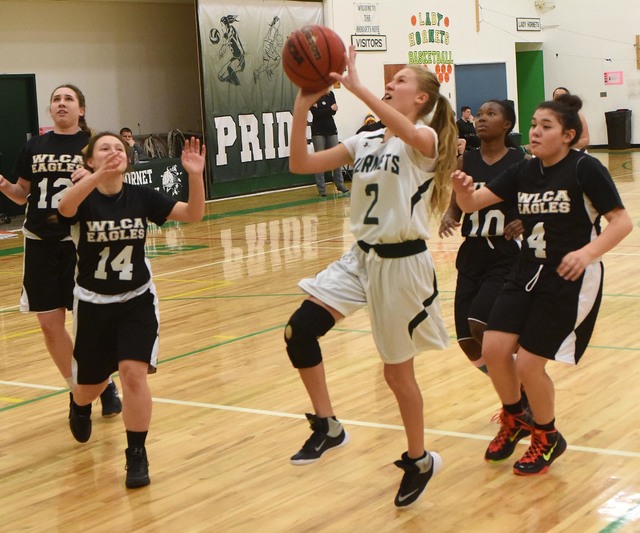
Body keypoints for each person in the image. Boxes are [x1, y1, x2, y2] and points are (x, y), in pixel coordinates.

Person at [285, 46, 458, 507]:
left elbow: (410, 132)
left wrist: (356, 86)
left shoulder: (424, 140)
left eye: (401, 80)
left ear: (421, 98)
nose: (391, 83)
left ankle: (420, 459)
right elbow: (301, 164)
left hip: (403, 265)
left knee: (396, 375)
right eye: (391, 79)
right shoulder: (365, 140)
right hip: (360, 257)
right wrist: (302, 105)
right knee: (299, 330)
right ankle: (328, 426)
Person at [451, 94, 632, 476]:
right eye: (533, 124)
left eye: (546, 126)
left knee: (531, 364)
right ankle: (516, 417)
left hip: (568, 277)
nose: (534, 131)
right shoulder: (525, 170)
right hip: (525, 270)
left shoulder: (584, 168)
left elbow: (621, 222)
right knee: (494, 348)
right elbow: (472, 204)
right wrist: (464, 188)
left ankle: (547, 436)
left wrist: (587, 253)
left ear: (568, 136)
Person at [58, 133, 206, 488]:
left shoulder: (141, 196)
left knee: (132, 373)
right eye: (104, 148)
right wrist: (96, 177)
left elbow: (193, 214)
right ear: (90, 160)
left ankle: (136, 453)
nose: (113, 152)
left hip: (136, 300)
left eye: (119, 148)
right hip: (93, 303)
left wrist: (195, 176)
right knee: (88, 387)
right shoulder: (81, 195)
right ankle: (79, 403)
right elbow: (64, 208)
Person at [0, 84, 122, 422]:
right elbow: (22, 194)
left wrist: (93, 178)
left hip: (79, 242)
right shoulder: (33, 146)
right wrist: (4, 186)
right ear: (50, 109)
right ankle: (78, 391)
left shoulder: (94, 145)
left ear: (81, 109)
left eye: (69, 99)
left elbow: (112, 188)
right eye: (56, 99)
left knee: (88, 326)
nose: (62, 103)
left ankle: (101, 381)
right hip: (39, 241)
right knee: (49, 325)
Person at [440, 100, 526, 375]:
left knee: (480, 324)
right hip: (472, 251)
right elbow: (457, 199)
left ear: (507, 124)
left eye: (490, 114)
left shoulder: (520, 161)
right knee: (467, 341)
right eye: (478, 115)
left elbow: (536, 202)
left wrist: (525, 219)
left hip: (505, 252)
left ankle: (524, 377)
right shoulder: (466, 160)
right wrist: (450, 214)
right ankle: (517, 390)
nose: (481, 119)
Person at [309, 90, 349, 197]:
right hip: (318, 131)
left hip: (331, 129)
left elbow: (334, 111)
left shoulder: (330, 94)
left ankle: (340, 184)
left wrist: (322, 108)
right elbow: (316, 113)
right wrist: (329, 108)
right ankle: (322, 189)